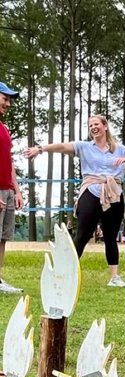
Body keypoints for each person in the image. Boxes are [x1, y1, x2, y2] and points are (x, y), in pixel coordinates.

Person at [26, 114, 125, 286]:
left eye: (96, 124)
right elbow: (62, 146)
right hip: (91, 190)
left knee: (111, 236)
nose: (93, 127)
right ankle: (66, 274)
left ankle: (114, 277)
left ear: (105, 126)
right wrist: (41, 149)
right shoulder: (84, 147)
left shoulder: (119, 148)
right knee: (82, 235)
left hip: (114, 193)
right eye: (90, 125)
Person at [0, 81, 24, 294]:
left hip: (7, 190)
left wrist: (16, 190)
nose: (8, 103)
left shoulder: (4, 129)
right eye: (5, 98)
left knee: (3, 237)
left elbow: (8, 162)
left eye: (9, 100)